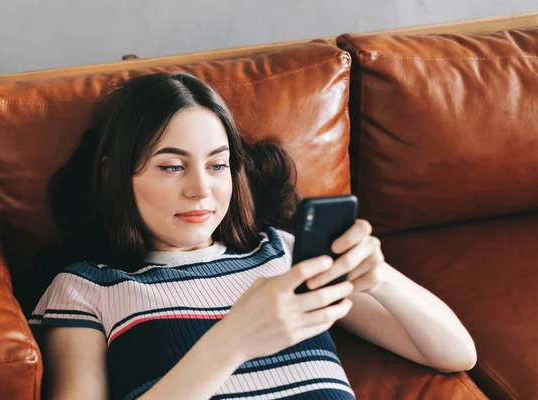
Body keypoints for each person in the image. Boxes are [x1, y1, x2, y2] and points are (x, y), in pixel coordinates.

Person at [29, 72, 477, 400]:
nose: (201, 189)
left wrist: (379, 278)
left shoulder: (280, 252)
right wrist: (236, 339)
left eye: (217, 164)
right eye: (171, 165)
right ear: (114, 176)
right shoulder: (85, 288)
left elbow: (456, 354)